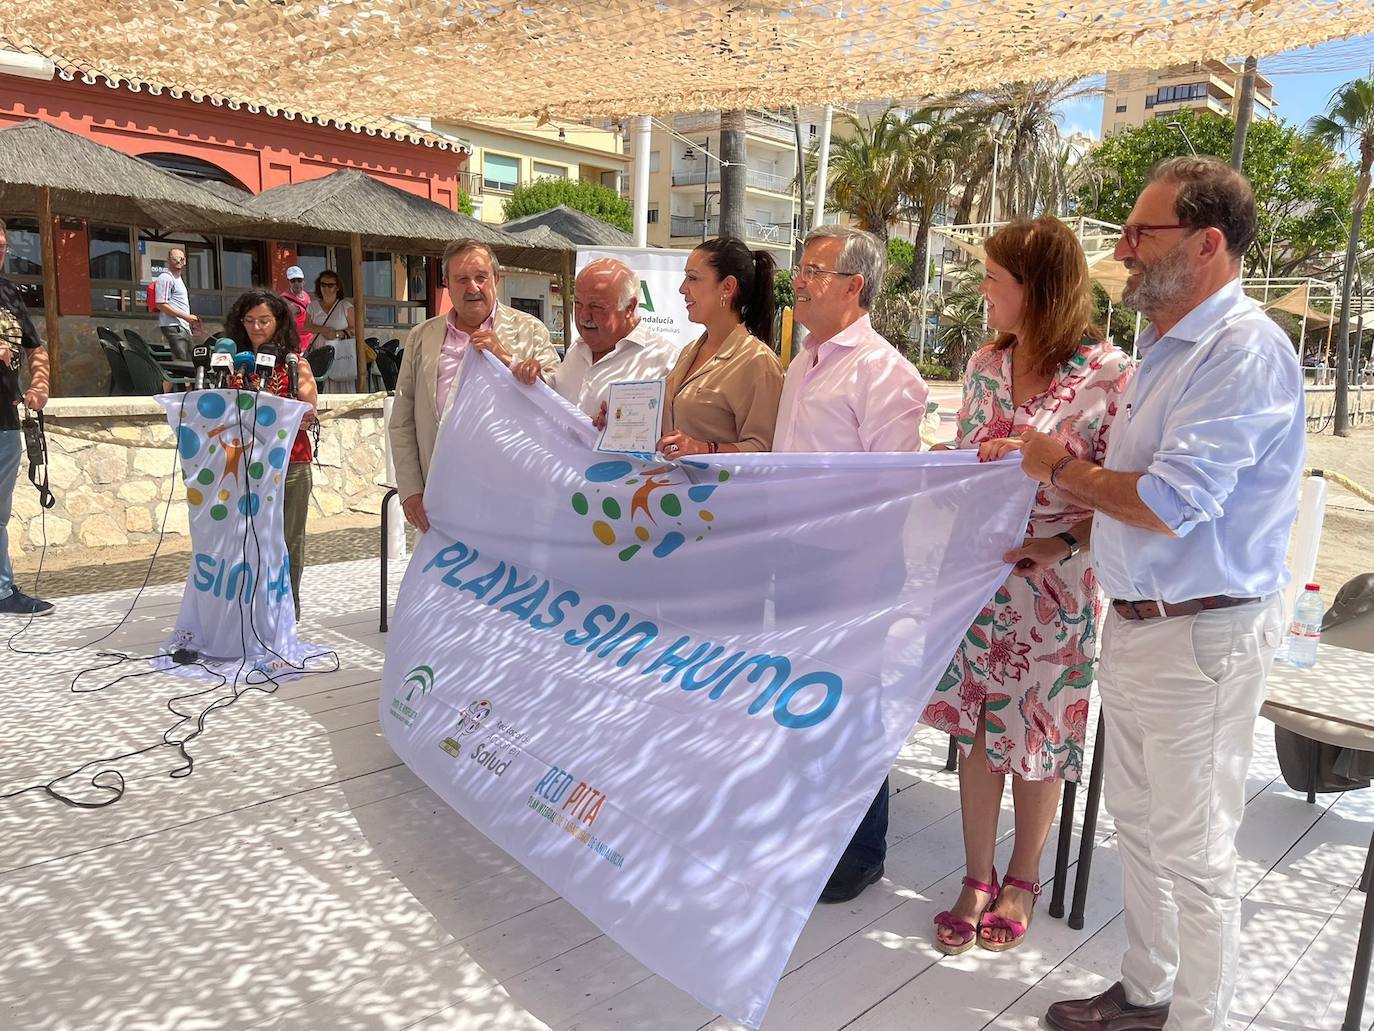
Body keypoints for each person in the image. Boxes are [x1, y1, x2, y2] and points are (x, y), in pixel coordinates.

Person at [1014, 158, 1303, 1031]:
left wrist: (1053, 465)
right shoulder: (1169, 349)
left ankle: (1197, 1018)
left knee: (1196, 849)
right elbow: (1136, 499)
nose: (1123, 250)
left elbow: (1170, 503)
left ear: (1208, 244)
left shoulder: (1244, 351)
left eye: (1143, 232)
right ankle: (1146, 993)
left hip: (1200, 636)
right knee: (1138, 828)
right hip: (1141, 625)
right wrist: (1064, 537)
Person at [918, 216, 1132, 952]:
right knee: (979, 730)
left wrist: (1062, 538)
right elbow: (957, 462)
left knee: (1039, 734)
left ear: (1035, 290)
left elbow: (1130, 494)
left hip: (1057, 583)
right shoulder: (983, 364)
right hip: (981, 580)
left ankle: (1023, 873)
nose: (983, 290)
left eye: (994, 279)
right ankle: (976, 874)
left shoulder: (1109, 374)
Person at [775, 224, 929, 903]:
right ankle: (809, 828)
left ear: (853, 286)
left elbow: (891, 491)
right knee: (801, 701)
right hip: (795, 559)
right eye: (800, 267)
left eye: (813, 270)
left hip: (854, 568)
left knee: (854, 709)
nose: (798, 281)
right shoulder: (804, 360)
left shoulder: (885, 373)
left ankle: (860, 851)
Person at [389, 239, 561, 533]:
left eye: (481, 277)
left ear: (496, 279)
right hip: (442, 499)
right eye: (462, 279)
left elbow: (557, 399)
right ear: (447, 283)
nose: (473, 287)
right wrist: (411, 491)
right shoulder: (421, 337)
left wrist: (507, 358)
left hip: (514, 499)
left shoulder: (529, 331)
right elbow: (402, 421)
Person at [224, 289, 318, 621]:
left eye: (264, 320)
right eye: (249, 320)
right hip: (243, 465)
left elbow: (307, 409)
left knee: (288, 539)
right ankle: (246, 608)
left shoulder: (295, 364)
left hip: (290, 462)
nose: (256, 327)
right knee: (244, 538)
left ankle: (286, 610)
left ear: (278, 323)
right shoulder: (233, 364)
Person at [656, 237, 783, 457]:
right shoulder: (689, 351)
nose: (682, 289)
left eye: (692, 278)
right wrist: (622, 419)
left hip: (721, 490)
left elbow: (762, 449)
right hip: (677, 488)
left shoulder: (757, 360)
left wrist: (704, 448)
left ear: (728, 287)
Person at [508, 257, 680, 418]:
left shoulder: (665, 362)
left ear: (629, 307)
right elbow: (559, 393)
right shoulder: (577, 349)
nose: (584, 316)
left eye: (596, 306)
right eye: (578, 303)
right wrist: (537, 378)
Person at [0, 220, 53, 617]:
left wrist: (39, 386)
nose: (2, 250)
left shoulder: (9, 292)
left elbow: (36, 349)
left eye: (3, 244)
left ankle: (2, 590)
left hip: (4, 417)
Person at [305, 270, 356, 394]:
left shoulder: (345, 306)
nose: (326, 288)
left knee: (342, 387)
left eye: (330, 285)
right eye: (323, 285)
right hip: (320, 352)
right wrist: (323, 330)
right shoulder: (312, 306)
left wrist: (338, 334)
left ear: (337, 287)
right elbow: (307, 326)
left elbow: (356, 330)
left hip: (341, 354)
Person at [154, 247, 201, 355]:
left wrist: (188, 325)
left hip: (182, 327)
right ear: (168, 260)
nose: (179, 261)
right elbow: (161, 304)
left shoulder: (178, 279)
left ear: (184, 261)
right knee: (182, 362)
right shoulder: (165, 278)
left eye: (181, 258)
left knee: (190, 360)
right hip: (173, 326)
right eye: (175, 258)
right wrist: (186, 317)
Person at [281, 264, 313, 354]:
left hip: (310, 342)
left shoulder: (305, 295)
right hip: (297, 346)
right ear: (289, 282)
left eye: (299, 280)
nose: (296, 283)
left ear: (303, 281)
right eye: (293, 280)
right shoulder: (285, 300)